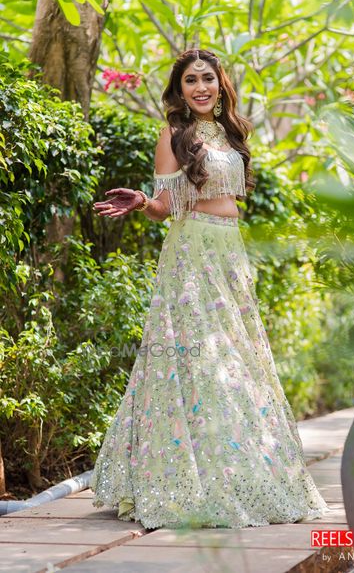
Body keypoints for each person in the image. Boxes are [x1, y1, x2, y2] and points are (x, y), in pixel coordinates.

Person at [90, 48, 328, 529]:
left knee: (240, 361)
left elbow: (232, 200)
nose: (200, 87)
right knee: (197, 360)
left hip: (229, 254)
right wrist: (141, 202)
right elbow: (166, 205)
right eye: (190, 81)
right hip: (192, 253)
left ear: (220, 85)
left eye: (208, 79)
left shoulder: (233, 135)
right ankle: (185, 476)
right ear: (180, 90)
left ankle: (244, 466)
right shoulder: (174, 135)